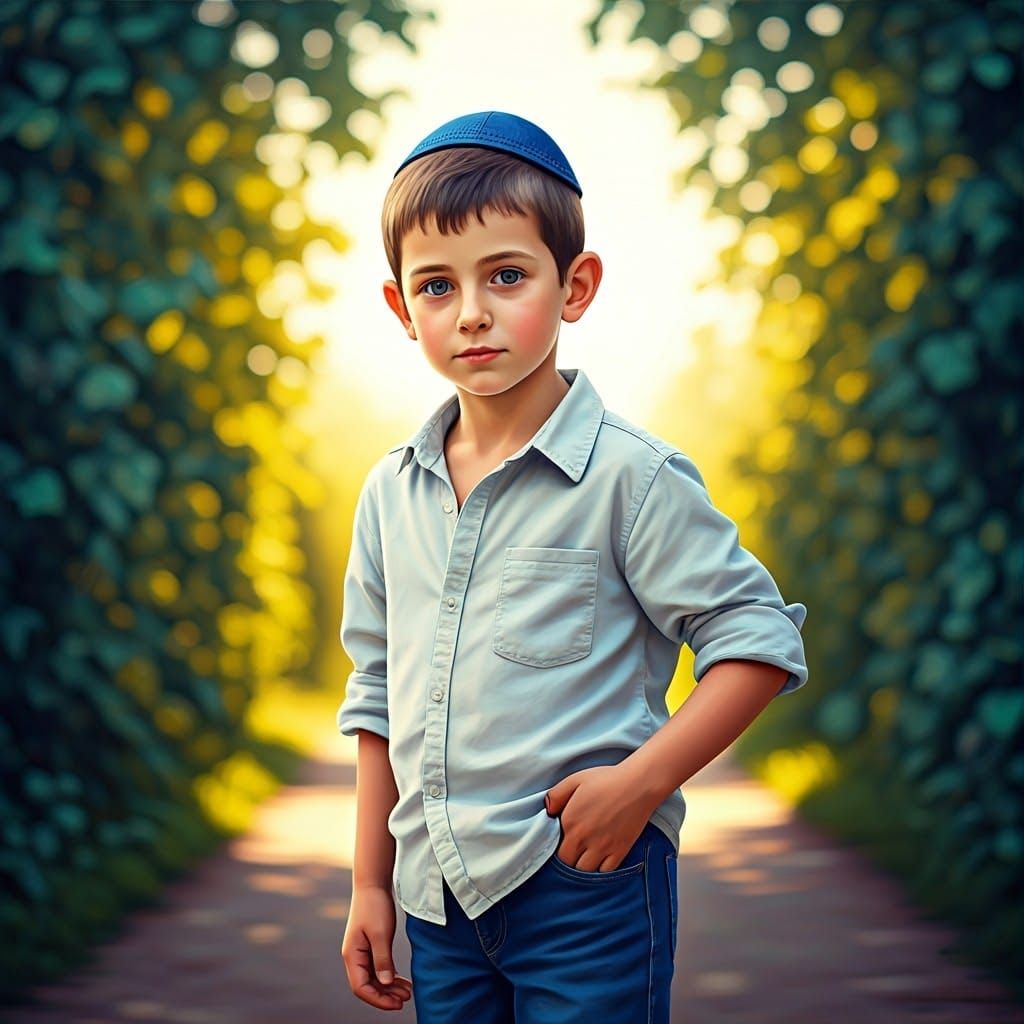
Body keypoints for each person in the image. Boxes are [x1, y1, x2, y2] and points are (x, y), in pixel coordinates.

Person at [336, 110, 809, 1023]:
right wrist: (369, 883)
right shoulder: (390, 494)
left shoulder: (633, 477)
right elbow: (377, 691)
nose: (471, 312)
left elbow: (756, 640)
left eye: (507, 275)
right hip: (436, 897)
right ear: (401, 308)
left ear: (575, 286)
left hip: (586, 880)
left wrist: (641, 783)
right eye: (437, 286)